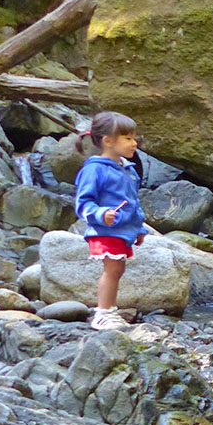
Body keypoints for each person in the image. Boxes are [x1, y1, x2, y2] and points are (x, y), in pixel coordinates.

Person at [73, 111, 150, 330]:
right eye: (128, 138)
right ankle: (103, 313)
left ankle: (109, 310)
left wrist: (139, 228)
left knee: (117, 270)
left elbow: (132, 202)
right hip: (105, 229)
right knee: (113, 270)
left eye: (134, 138)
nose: (134, 143)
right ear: (108, 141)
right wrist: (100, 214)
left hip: (122, 230)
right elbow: (83, 203)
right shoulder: (94, 169)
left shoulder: (127, 168)